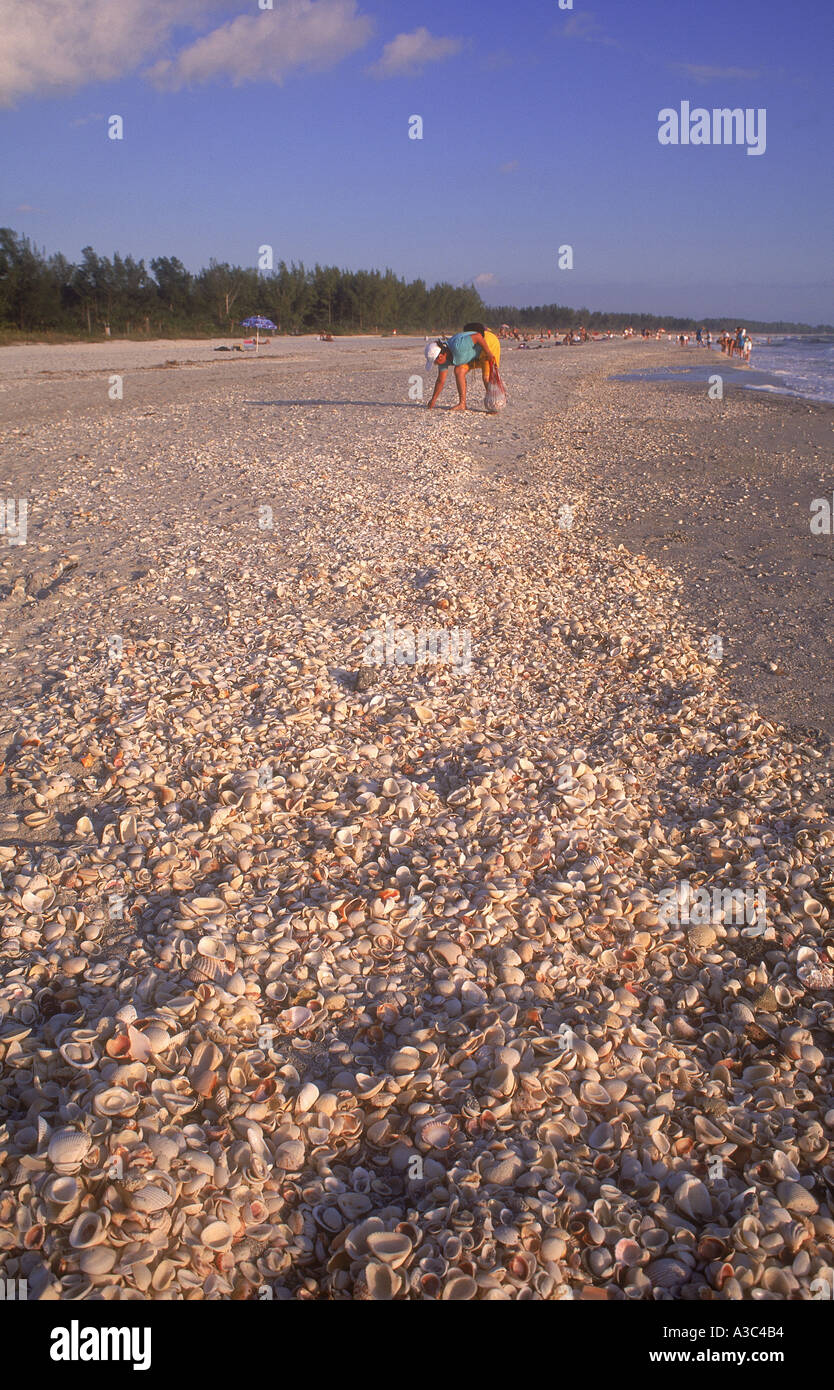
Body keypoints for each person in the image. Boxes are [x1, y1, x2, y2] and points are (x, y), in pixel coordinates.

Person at [425, 324, 500, 411]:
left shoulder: (458, 346)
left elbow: (478, 337)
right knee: (459, 370)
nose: (435, 364)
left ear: (441, 356)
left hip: (488, 344)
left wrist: (489, 353)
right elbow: (440, 380)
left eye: (435, 362)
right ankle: (462, 404)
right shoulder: (443, 359)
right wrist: (433, 399)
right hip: (475, 353)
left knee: (486, 378)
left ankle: (495, 405)